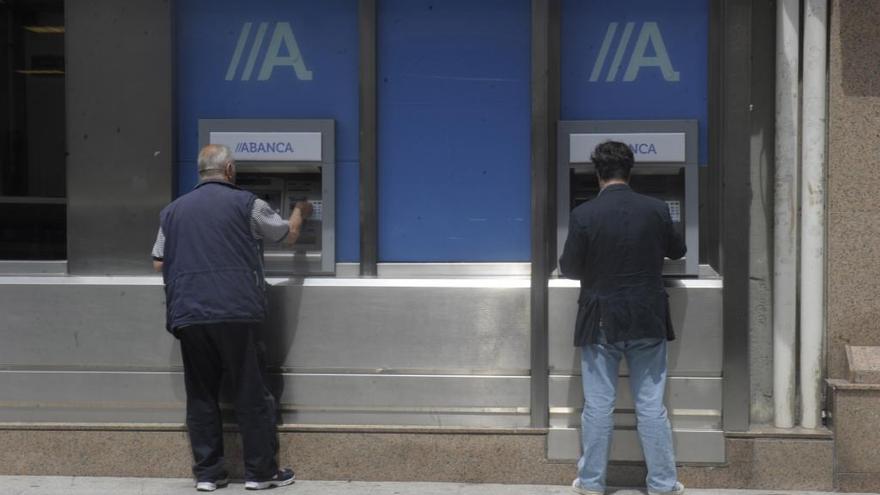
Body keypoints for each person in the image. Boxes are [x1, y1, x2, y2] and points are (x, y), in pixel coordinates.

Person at [151, 144, 312, 492]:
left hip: (189, 312)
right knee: (250, 391)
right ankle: (261, 473)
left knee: (201, 394)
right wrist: (301, 209)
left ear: (201, 172)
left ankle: (208, 474)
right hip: (235, 310)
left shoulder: (173, 211)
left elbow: (159, 261)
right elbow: (286, 235)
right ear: (229, 170)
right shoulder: (248, 204)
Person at [559, 141, 687, 495]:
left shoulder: (584, 214)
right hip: (647, 318)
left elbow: (568, 268)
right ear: (630, 172)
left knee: (599, 405)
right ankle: (662, 483)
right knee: (651, 405)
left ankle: (591, 483)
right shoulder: (658, 209)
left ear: (598, 174)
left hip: (601, 320)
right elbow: (679, 250)